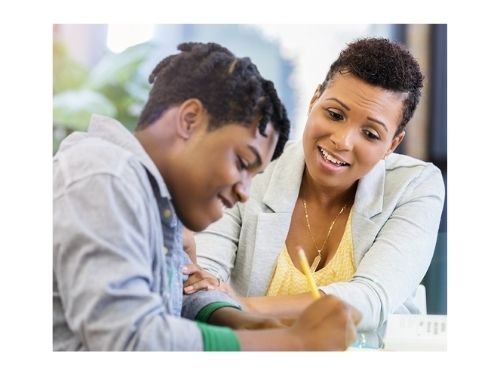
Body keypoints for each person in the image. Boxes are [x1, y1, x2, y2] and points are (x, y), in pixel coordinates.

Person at [53, 42, 360, 351]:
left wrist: (247, 322)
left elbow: (180, 291)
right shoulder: (105, 178)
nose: (244, 192)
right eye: (242, 163)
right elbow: (132, 340)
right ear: (190, 120)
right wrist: (288, 342)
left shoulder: (157, 199)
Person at [187, 38, 446, 332]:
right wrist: (213, 293)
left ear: (393, 144)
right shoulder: (254, 166)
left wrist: (243, 305)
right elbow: (202, 279)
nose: (342, 141)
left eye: (371, 134)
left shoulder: (415, 186)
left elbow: (371, 300)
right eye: (335, 115)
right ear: (314, 101)